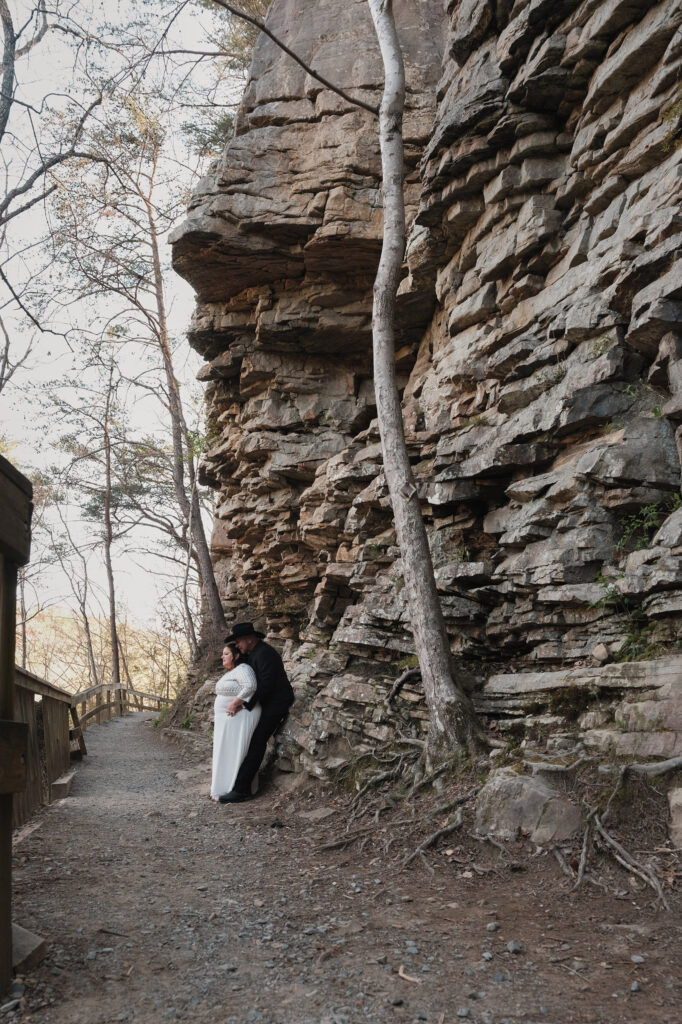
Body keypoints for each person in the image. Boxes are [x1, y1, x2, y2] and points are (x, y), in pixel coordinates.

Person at [218, 621, 294, 803]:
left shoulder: (265, 654)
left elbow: (266, 686)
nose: (236, 645)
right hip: (266, 703)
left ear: (249, 639)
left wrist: (243, 703)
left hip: (276, 704)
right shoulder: (253, 653)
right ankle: (239, 783)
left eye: (238, 642)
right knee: (250, 742)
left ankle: (242, 789)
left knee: (257, 742)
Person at [210, 642, 261, 801]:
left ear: (236, 655)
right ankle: (223, 786)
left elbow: (251, 686)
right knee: (225, 751)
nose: (222, 657)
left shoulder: (243, 669)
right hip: (229, 718)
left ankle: (234, 788)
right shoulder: (232, 672)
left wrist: (234, 704)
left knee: (234, 750)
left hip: (240, 714)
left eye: (226, 654)